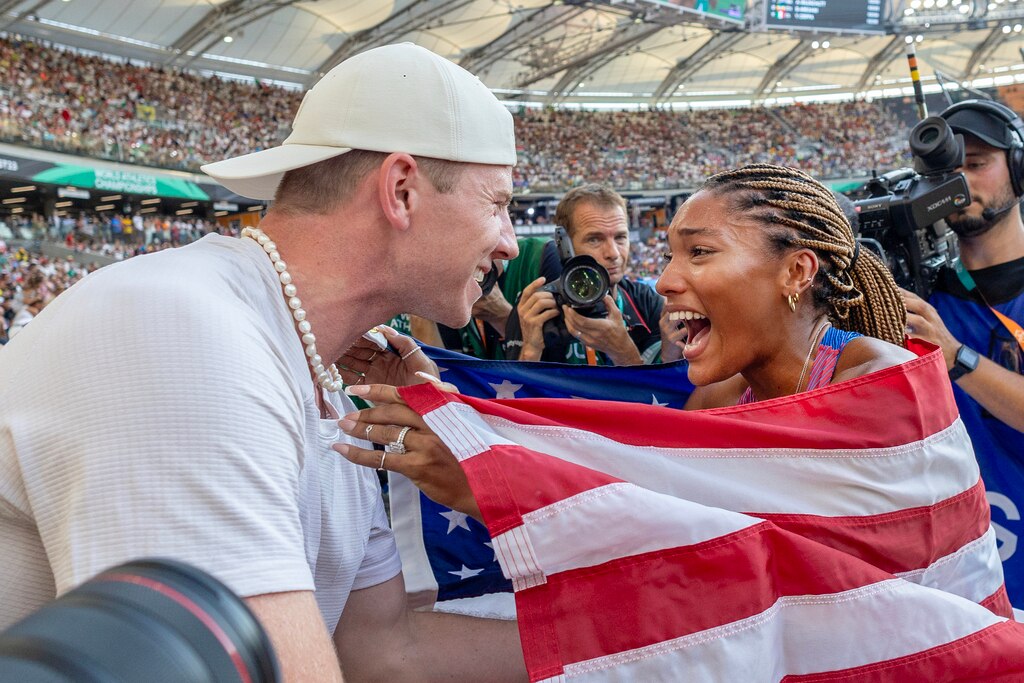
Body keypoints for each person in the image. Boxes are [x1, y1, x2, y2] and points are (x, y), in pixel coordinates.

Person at [0, 43, 526, 681]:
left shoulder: (323, 378)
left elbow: (384, 652)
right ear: (402, 190)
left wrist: (649, 640)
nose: (508, 240)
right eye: (497, 204)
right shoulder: (182, 334)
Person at [336, 163, 915, 513]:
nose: (662, 280)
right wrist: (448, 412)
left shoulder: (880, 384)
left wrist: (485, 483)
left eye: (701, 253)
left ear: (795, 272)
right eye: (668, 255)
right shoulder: (715, 399)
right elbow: (651, 503)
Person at [900, 99, 1024, 611]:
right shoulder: (923, 300)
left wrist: (955, 356)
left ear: (1018, 170)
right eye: (947, 171)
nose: (959, 182)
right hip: (968, 575)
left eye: (975, 164)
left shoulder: (939, 327)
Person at [504, 184, 677, 365]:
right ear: (565, 248)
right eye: (594, 239)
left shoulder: (646, 301)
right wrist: (530, 351)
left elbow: (659, 391)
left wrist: (623, 353)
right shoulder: (537, 309)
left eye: (620, 237)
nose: (614, 253)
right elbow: (516, 391)